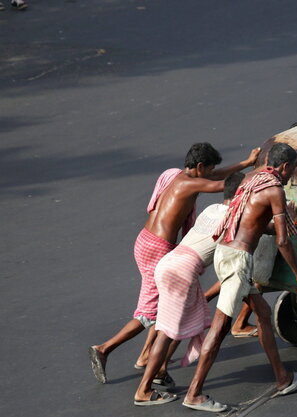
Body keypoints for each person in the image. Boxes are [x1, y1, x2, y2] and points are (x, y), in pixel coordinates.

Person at [89, 143, 260, 385]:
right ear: (200, 167)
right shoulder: (190, 184)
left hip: (145, 241)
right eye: (210, 169)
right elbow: (227, 185)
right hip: (158, 248)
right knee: (148, 314)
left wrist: (245, 162)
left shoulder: (177, 176)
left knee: (162, 305)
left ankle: (147, 355)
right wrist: (264, 170)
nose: (212, 173)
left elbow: (216, 177)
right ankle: (105, 348)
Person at [182, 143, 297, 412]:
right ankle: (194, 393)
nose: (288, 179)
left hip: (224, 251)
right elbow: (282, 241)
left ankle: (283, 378)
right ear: (285, 168)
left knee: (263, 315)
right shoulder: (275, 190)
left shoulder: (253, 178)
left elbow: (254, 219)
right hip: (238, 261)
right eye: (290, 171)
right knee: (218, 330)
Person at [133, 173, 245, 406]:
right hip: (183, 272)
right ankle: (143, 390)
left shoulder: (212, 208)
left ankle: (161, 372)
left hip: (168, 263)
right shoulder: (234, 218)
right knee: (166, 332)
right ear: (240, 195)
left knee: (176, 325)